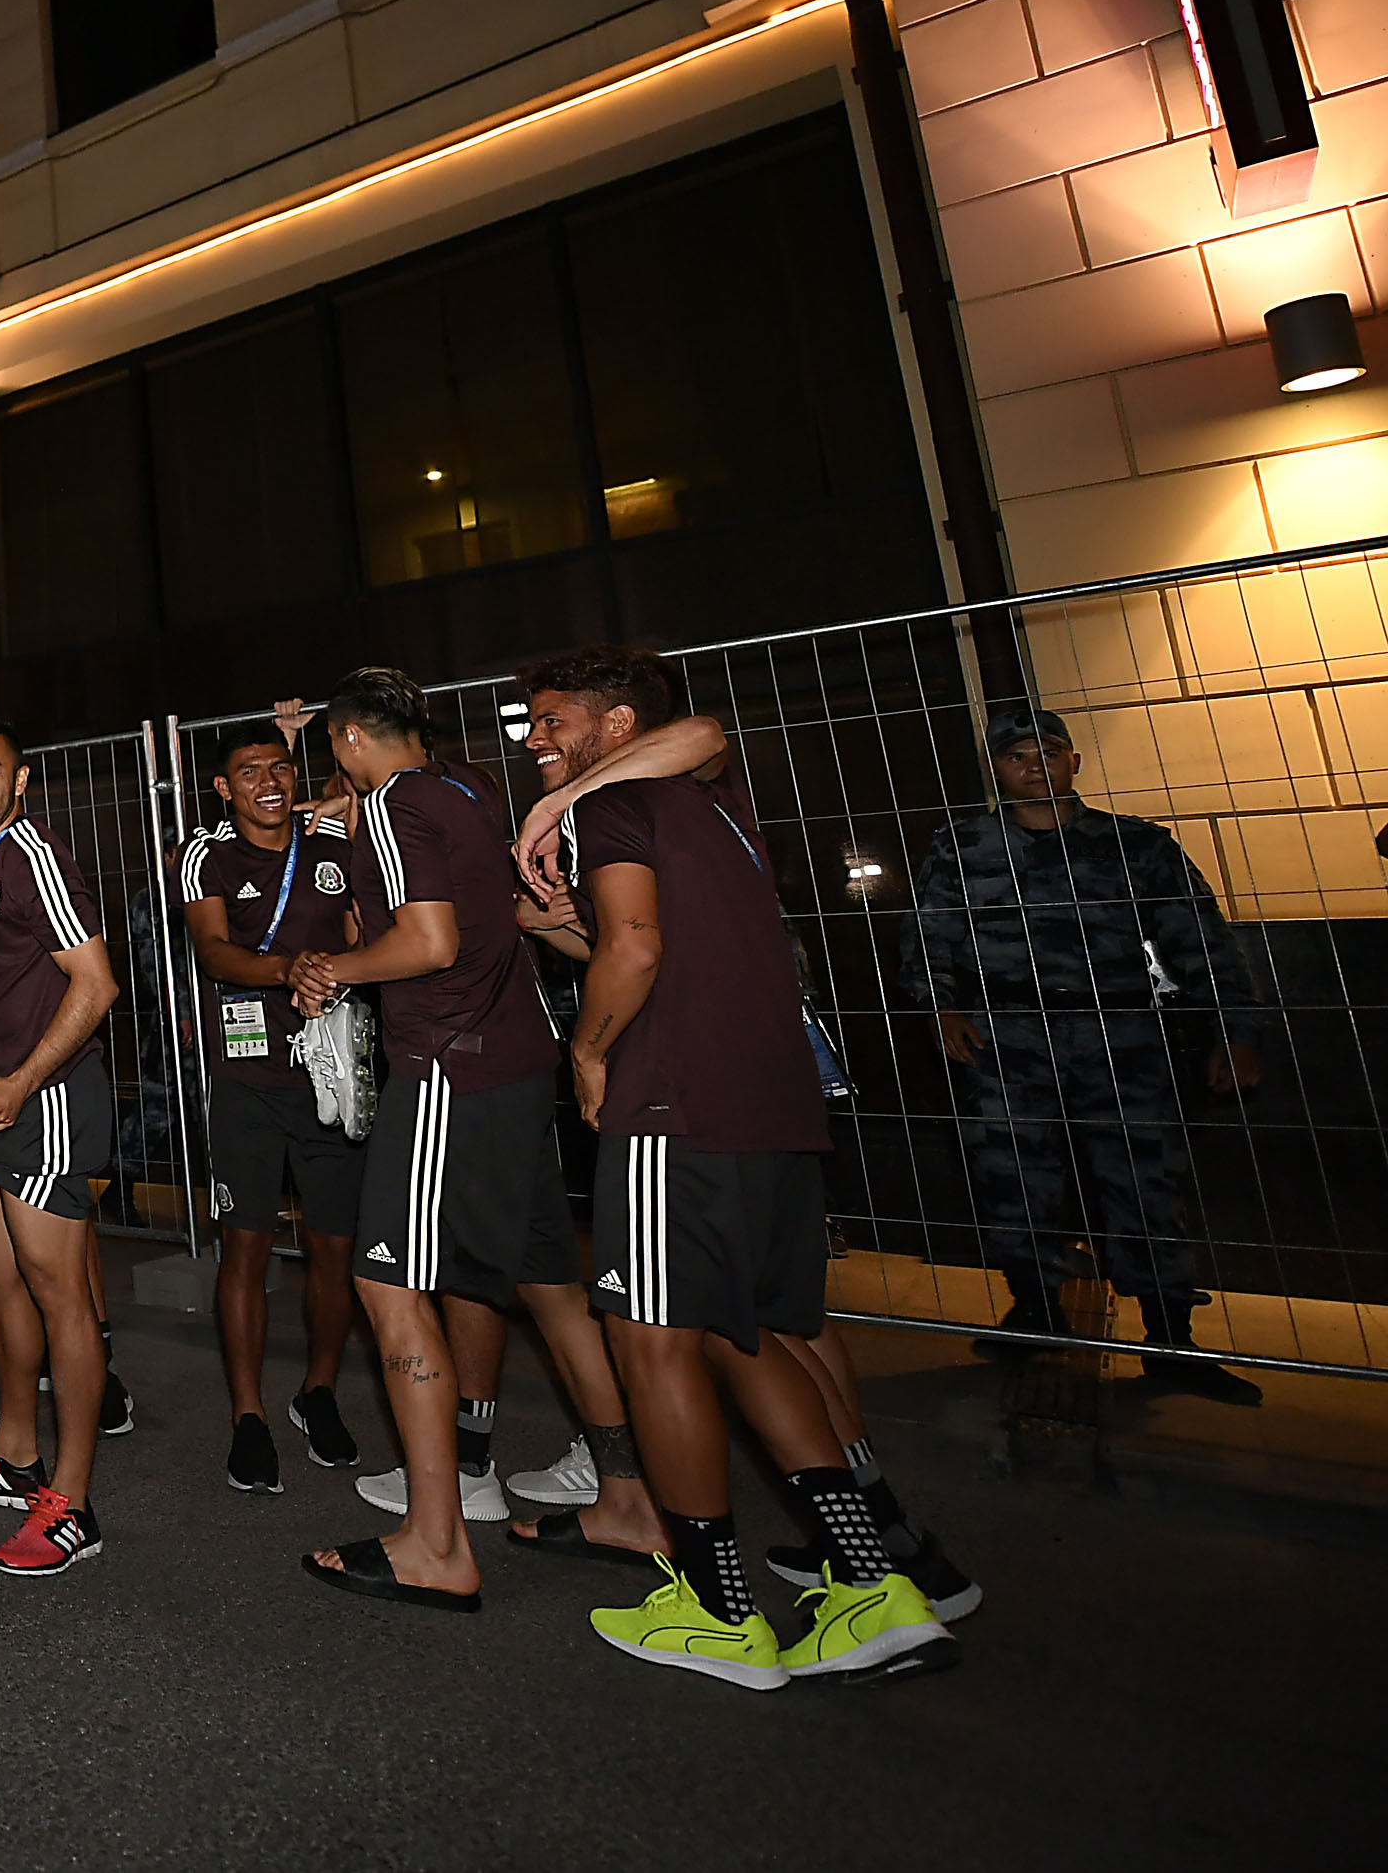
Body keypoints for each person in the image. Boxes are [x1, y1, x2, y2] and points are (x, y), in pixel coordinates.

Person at [537, 646, 958, 1685]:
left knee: (648, 1338)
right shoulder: (710, 802)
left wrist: (586, 1052)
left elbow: (632, 950)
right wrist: (559, 927)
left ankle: (719, 1609)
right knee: (748, 1331)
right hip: (771, 1100)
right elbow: (654, 935)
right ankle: (868, 1583)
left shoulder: (611, 804)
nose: (534, 737)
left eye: (550, 718)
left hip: (673, 1104)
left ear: (616, 721)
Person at [286, 668, 568, 1615]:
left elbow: (429, 939)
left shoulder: (400, 804)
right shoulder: (467, 786)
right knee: (549, 1279)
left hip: (451, 1061)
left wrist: (334, 970)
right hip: (521, 1058)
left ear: (349, 739)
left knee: (390, 1278)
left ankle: (436, 1540)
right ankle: (629, 1491)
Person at [901, 710, 1269, 1404]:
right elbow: (929, 934)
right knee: (1011, 1173)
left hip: (1117, 1026)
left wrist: (1235, 1027)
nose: (1035, 765)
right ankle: (1035, 1306)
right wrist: (936, 1005)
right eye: (1016, 755)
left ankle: (1169, 1334)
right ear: (996, 769)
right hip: (1007, 1029)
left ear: (1075, 760)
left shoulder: (1135, 845)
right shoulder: (965, 847)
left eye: (1049, 751)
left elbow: (1201, 938)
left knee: (1142, 1176)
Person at [0, 714, 123, 1577]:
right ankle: (15, 1446)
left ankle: (71, 1500)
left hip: (43, 1102)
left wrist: (23, 1082)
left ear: (21, 780)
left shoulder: (35, 855)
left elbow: (98, 982)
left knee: (59, 1294)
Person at [177, 720, 366, 1493]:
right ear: (224, 787)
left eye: (281, 767)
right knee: (245, 1245)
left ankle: (317, 1391)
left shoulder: (334, 847)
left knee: (333, 1248)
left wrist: (339, 976)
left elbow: (363, 936)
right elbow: (213, 951)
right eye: (249, 770)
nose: (268, 781)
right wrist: (288, 967)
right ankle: (248, 1412)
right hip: (247, 1079)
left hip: (333, 1076)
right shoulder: (207, 855)